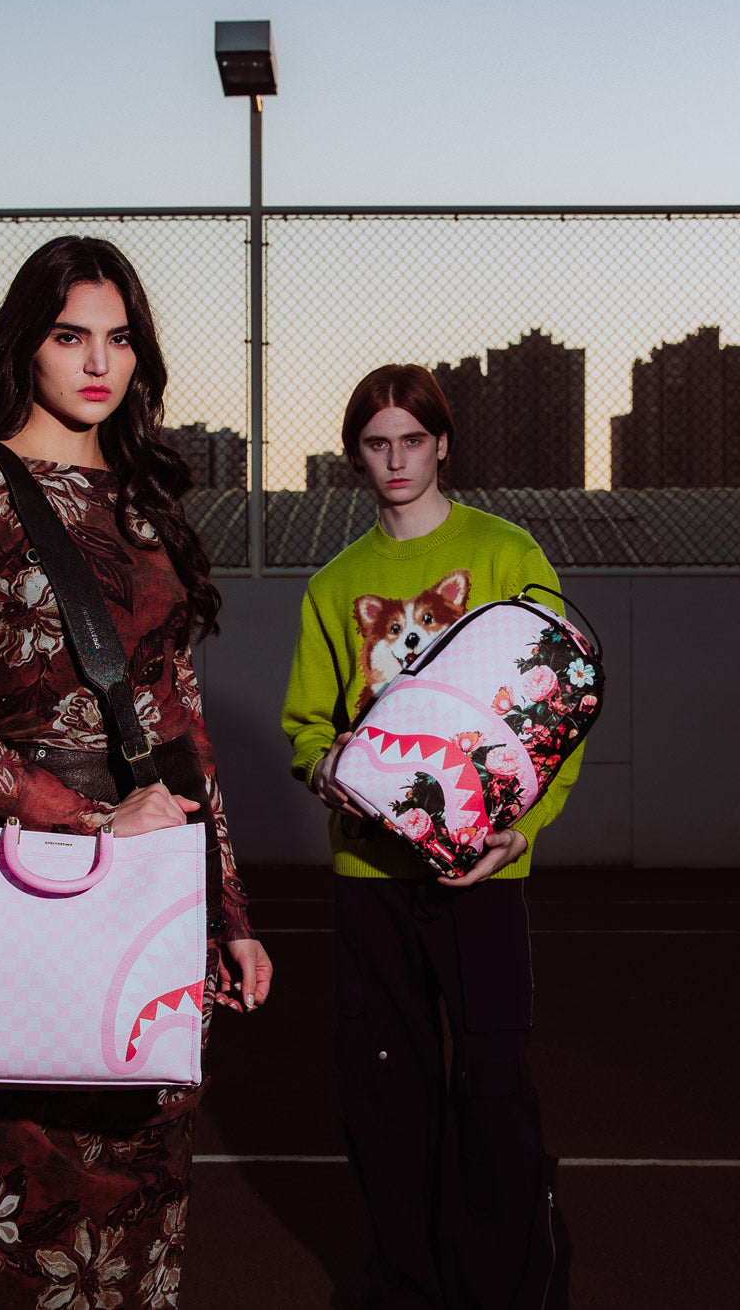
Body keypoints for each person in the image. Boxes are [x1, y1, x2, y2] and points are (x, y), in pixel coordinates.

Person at [0, 235, 272, 1307]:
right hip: (27, 875)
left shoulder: (150, 498)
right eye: (70, 336)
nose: (97, 361)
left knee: (137, 1190)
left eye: (119, 338)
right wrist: (87, 824)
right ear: (28, 344)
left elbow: (181, 727)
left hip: (155, 892)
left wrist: (227, 906)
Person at [282, 365, 579, 1309]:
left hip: (483, 880)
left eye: (413, 439)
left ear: (442, 443)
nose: (396, 460)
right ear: (355, 455)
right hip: (370, 873)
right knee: (385, 1093)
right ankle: (405, 1283)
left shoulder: (505, 552)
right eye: (377, 443)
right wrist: (324, 766)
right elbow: (307, 727)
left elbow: (560, 706)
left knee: (494, 1086)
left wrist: (521, 827)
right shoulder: (337, 586)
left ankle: (510, 1284)